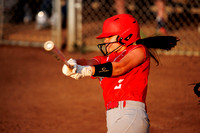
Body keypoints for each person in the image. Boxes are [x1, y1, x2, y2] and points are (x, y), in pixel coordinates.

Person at [62, 14, 152, 133]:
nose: (105, 40)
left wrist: (87, 70)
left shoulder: (139, 51)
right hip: (112, 117)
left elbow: (120, 67)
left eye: (109, 36)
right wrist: (73, 63)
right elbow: (87, 61)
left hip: (131, 115)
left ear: (126, 35)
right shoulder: (105, 60)